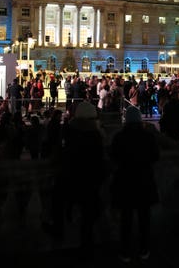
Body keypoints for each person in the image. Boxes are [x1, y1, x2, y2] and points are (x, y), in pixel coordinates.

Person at [43, 101, 107, 258]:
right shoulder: (97, 134)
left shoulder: (69, 130)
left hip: (70, 176)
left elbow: (60, 151)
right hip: (90, 180)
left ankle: (58, 230)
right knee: (88, 217)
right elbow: (100, 158)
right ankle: (87, 247)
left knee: (58, 201)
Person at [111, 105, 160, 263]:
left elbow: (114, 157)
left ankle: (125, 251)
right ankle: (144, 249)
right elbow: (155, 156)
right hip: (144, 181)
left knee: (126, 219)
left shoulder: (119, 137)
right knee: (144, 218)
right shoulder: (148, 137)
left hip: (125, 181)